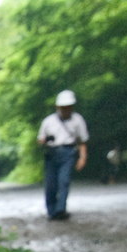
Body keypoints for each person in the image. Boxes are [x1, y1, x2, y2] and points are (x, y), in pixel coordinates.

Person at [37, 89, 88, 220]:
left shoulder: (78, 120)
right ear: (58, 107)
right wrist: (45, 140)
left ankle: (61, 209)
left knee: (64, 181)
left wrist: (82, 157)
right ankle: (51, 211)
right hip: (51, 153)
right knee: (51, 184)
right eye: (63, 107)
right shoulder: (48, 121)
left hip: (68, 152)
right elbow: (40, 139)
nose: (66, 109)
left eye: (68, 107)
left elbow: (82, 140)